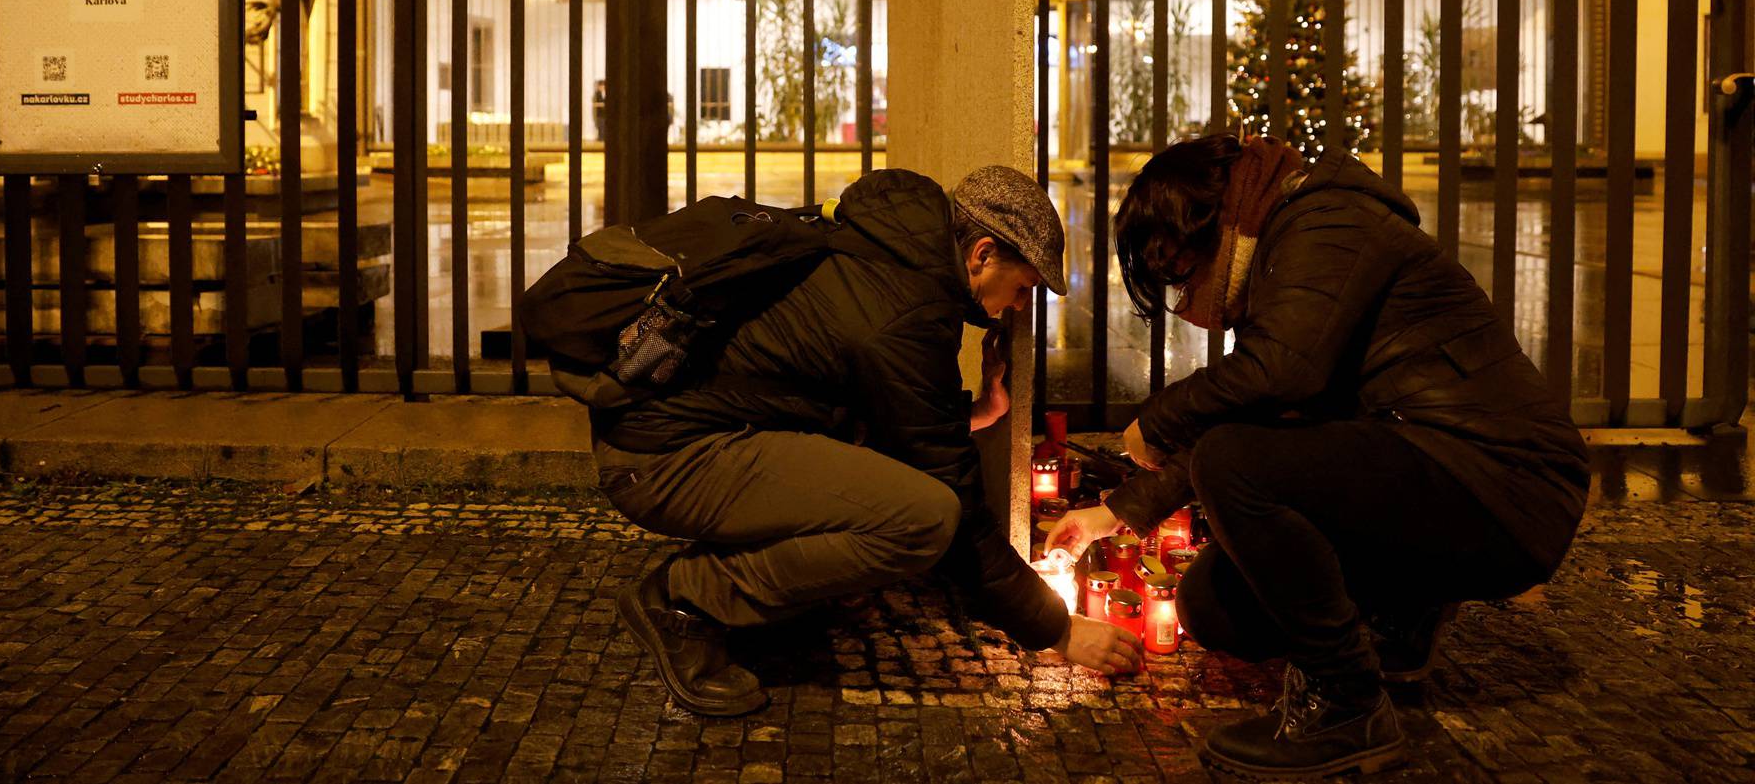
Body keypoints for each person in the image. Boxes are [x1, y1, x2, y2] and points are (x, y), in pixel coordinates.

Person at [1046, 135, 1588, 778]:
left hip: (1500, 481)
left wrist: (1157, 419)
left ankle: (1345, 704)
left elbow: (1282, 375)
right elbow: (1274, 408)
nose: (1187, 308)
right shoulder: (1279, 244)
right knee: (1212, 607)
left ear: (1207, 225)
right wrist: (1121, 513)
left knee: (1232, 463)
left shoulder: (1325, 220)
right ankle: (1398, 614)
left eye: (1180, 277)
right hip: (1417, 465)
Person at [596, 165, 1140, 715]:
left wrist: (977, 413)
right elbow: (955, 502)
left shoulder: (888, 252)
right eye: (1023, 287)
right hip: (665, 458)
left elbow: (890, 419)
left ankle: (765, 587)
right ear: (980, 254)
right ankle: (687, 598)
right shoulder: (908, 310)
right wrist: (1056, 628)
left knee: (892, 492)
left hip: (691, 430)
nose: (1022, 306)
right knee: (923, 519)